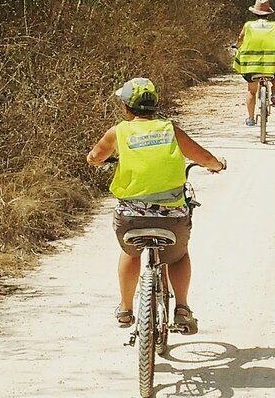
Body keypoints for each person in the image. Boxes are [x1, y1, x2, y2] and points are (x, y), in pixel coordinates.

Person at [87, 77, 227, 333]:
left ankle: (126, 309)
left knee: (131, 252)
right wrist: (217, 165)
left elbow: (94, 157)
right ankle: (182, 308)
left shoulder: (118, 132)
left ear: (126, 108)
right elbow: (205, 158)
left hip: (130, 216)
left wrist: (103, 161)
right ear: (154, 105)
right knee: (178, 256)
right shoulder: (170, 130)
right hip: (171, 217)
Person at [233, 0, 275, 127]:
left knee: (251, 91)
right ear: (269, 13)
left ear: (255, 12)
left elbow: (240, 39)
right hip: (270, 66)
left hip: (251, 66)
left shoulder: (248, 25)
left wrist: (236, 45)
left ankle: (250, 119)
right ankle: (274, 94)